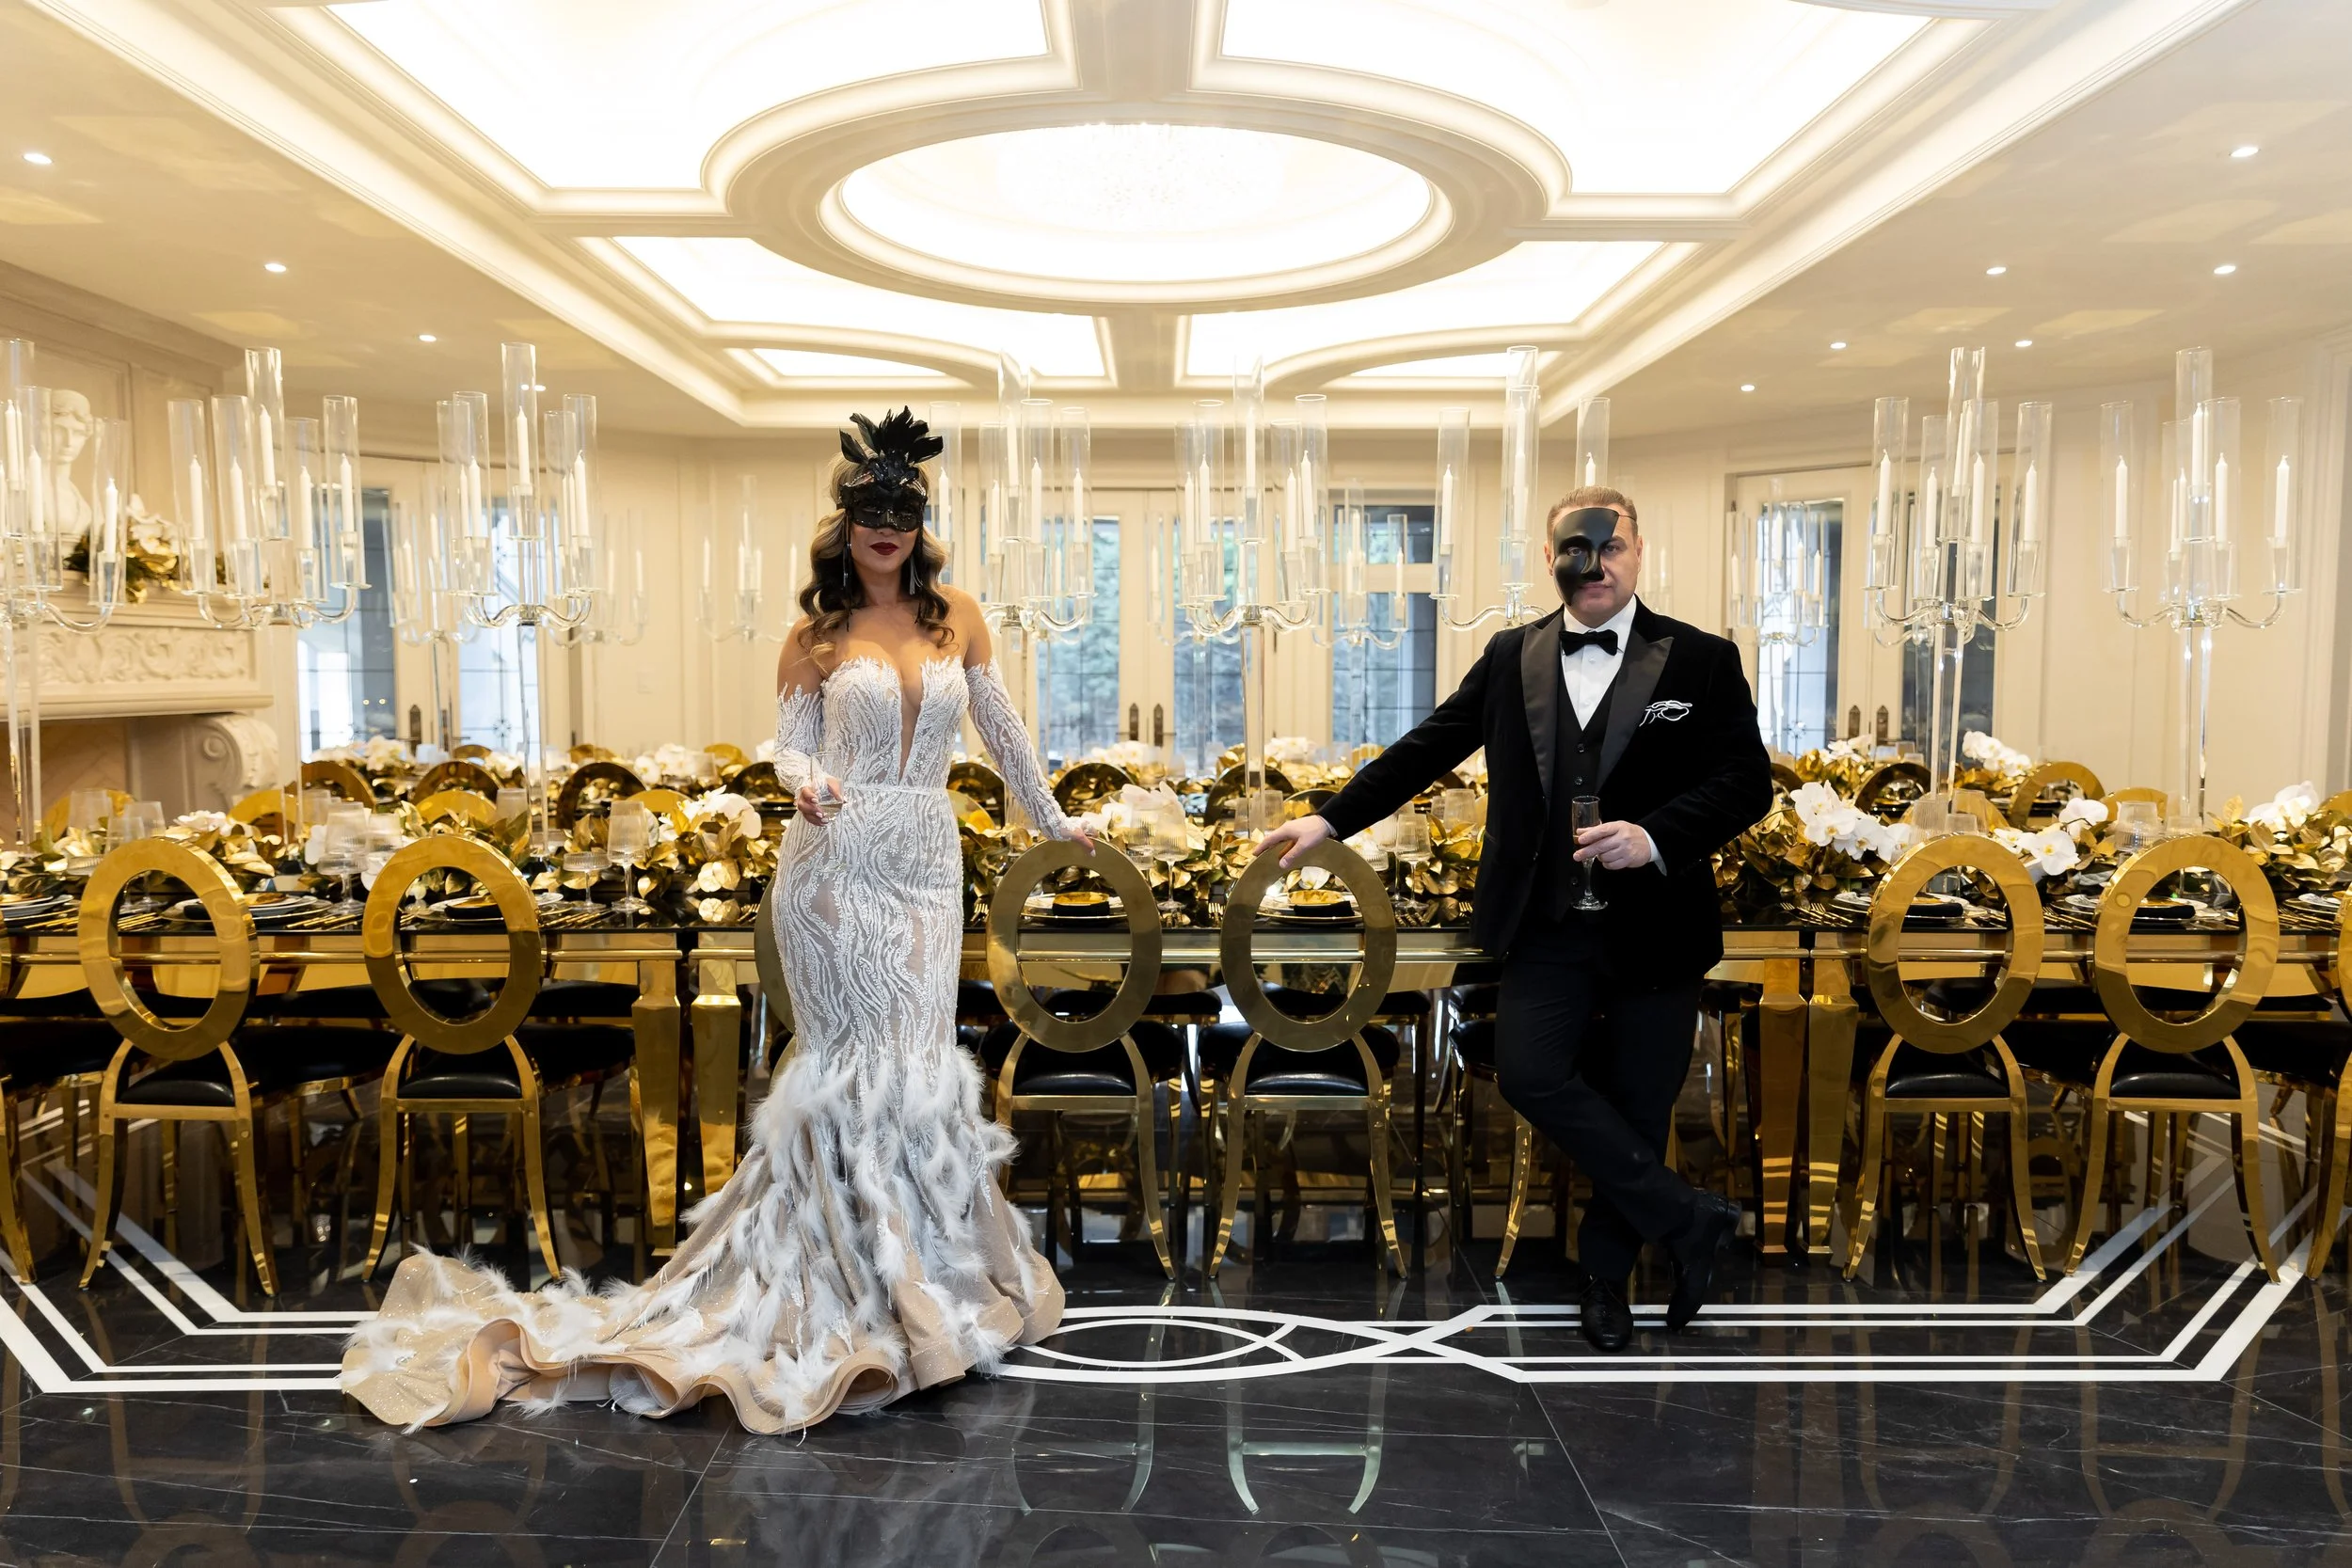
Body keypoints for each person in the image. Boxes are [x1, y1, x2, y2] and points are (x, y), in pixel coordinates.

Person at [343, 408, 1089, 1432]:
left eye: (902, 512)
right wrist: (810, 781)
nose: (886, 529)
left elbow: (1002, 731)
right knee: (848, 1065)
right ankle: (851, 1287)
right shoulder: (815, 633)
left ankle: (928, 1285)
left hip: (924, 859)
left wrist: (1054, 819)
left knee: (918, 1063)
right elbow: (783, 748)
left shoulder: (958, 613)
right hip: (832, 866)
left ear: (920, 522)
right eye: (869, 512)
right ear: (843, 524)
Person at [1255, 485, 1770, 1351]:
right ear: (1549, 557)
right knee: (1531, 1072)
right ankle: (1691, 1219)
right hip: (1546, 925)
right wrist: (1331, 818)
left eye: (1610, 548)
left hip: (1657, 925)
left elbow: (1747, 782)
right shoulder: (1511, 655)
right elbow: (1428, 745)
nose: (1594, 564)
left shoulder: (1702, 660)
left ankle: (1605, 1283)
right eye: (1576, 548)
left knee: (1640, 1108)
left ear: (1639, 553)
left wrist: (1654, 835)